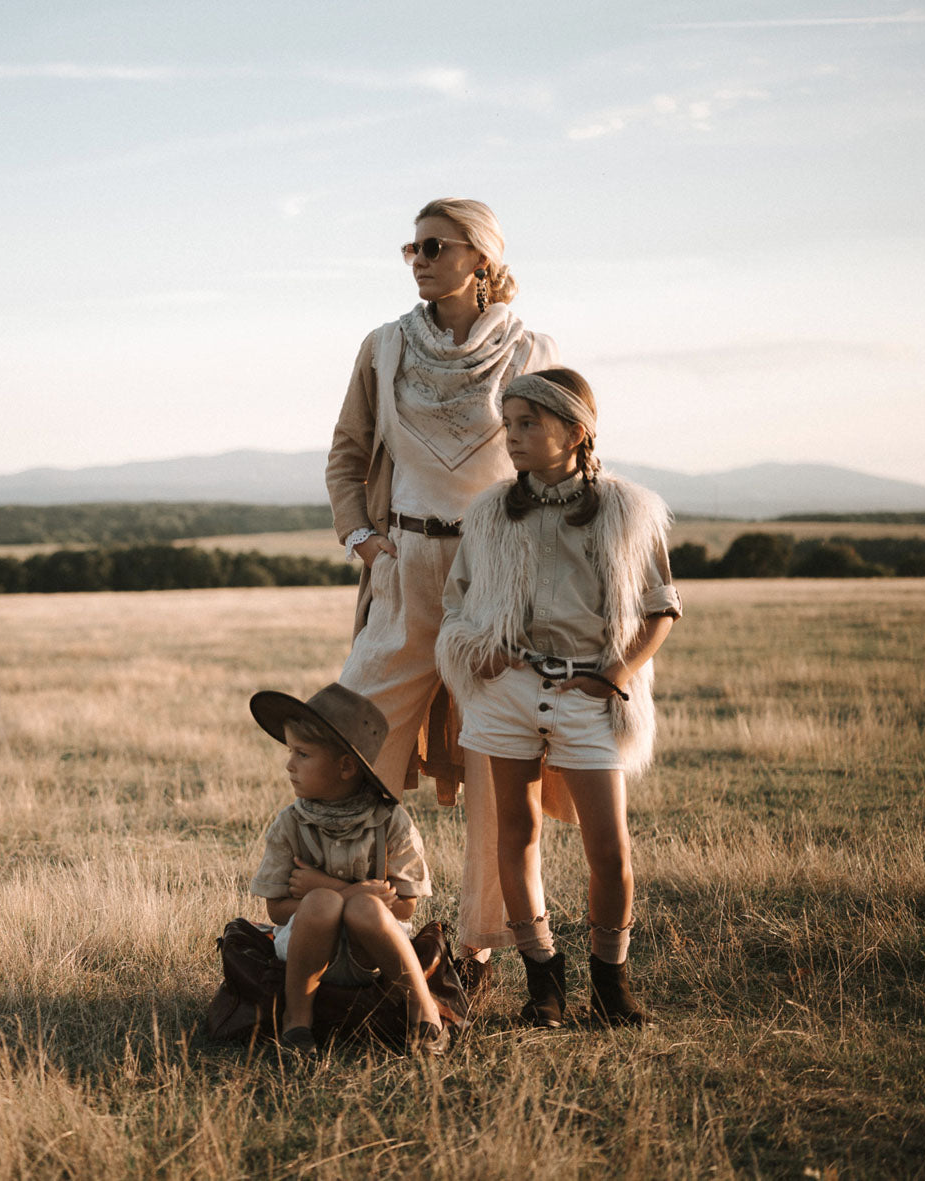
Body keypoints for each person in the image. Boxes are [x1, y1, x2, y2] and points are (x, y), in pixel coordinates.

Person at [326, 197, 560, 984]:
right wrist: (363, 537)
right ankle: (364, 929)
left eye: (434, 245)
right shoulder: (385, 346)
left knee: (497, 757)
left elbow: (561, 458)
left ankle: (476, 949)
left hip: (497, 572)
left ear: (480, 260)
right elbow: (348, 452)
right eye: (410, 248)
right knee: (351, 742)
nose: (418, 258)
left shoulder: (530, 348)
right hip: (406, 565)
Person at [436, 368, 681, 1027]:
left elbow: (661, 608)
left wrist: (614, 674)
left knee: (609, 849)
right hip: (505, 690)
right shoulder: (488, 512)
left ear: (575, 431)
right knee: (513, 834)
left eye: (527, 424)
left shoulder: (629, 511)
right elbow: (455, 602)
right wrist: (473, 645)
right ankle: (543, 981)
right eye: (508, 423)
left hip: (588, 692)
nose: (510, 437)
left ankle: (611, 986)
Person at [248, 682, 447, 1056]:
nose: (289, 765)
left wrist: (331, 889)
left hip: (372, 952)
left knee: (365, 908)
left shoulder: (391, 822)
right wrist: (342, 891)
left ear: (346, 766)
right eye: (291, 752)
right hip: (304, 948)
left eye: (302, 754)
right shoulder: (289, 824)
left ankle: (423, 1010)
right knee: (322, 903)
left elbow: (404, 907)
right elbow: (276, 910)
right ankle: (298, 1021)